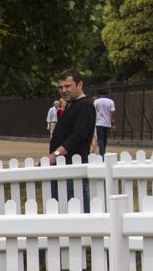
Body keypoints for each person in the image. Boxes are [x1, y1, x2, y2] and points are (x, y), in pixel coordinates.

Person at [49, 69, 96, 212]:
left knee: (77, 211)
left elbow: (78, 136)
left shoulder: (85, 105)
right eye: (61, 87)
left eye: (68, 86)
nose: (64, 90)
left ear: (80, 84)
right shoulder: (71, 105)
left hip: (73, 169)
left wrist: (55, 155)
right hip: (63, 168)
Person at [93, 89, 116, 156]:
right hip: (107, 123)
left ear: (99, 95)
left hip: (98, 123)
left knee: (100, 139)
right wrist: (113, 124)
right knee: (105, 139)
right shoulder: (111, 102)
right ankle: (103, 151)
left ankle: (101, 153)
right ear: (107, 94)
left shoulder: (96, 101)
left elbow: (94, 111)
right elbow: (112, 113)